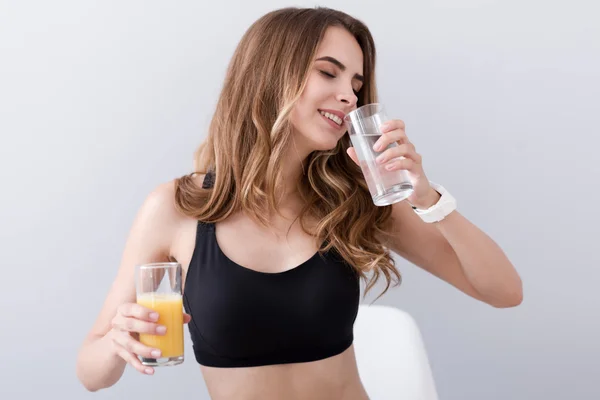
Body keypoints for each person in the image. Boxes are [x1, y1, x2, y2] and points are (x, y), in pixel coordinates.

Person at [76, 6, 523, 399]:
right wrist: (116, 343)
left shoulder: (356, 199)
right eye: (328, 72)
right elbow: (91, 374)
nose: (349, 95)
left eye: (356, 82)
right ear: (270, 74)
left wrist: (427, 197)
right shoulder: (177, 208)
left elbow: (504, 292)